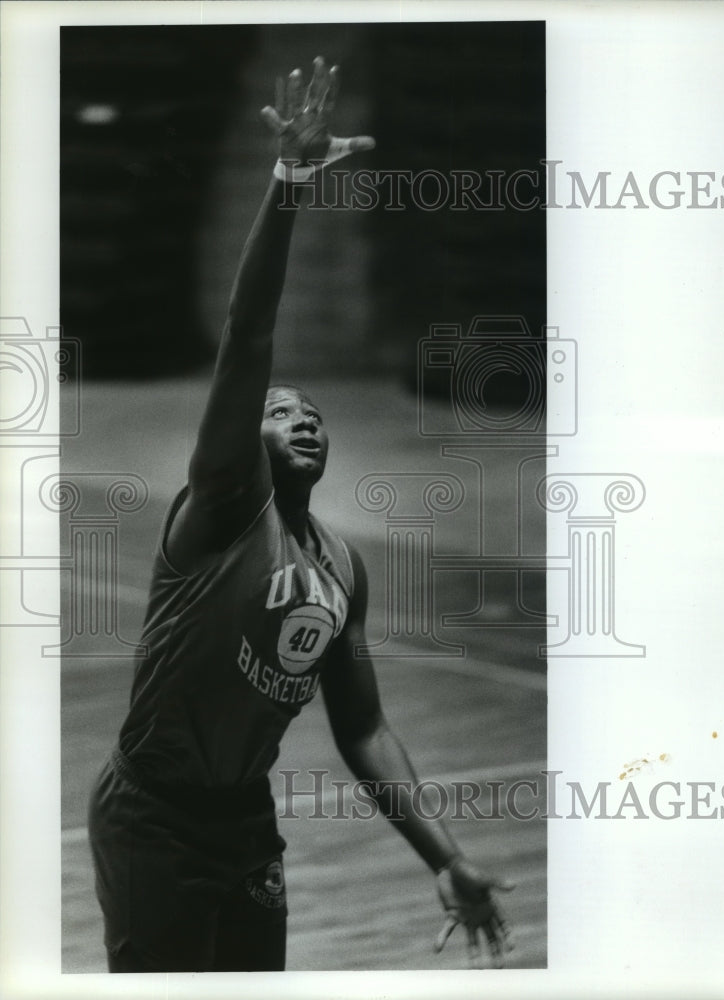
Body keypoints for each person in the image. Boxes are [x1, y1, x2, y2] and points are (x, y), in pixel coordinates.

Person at [88, 56, 513, 973]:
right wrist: (291, 182)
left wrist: (445, 857)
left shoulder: (340, 570)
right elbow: (247, 333)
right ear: (245, 434)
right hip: (152, 815)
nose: (303, 415)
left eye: (311, 410)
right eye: (279, 410)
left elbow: (361, 729)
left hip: (243, 820)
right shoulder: (220, 511)